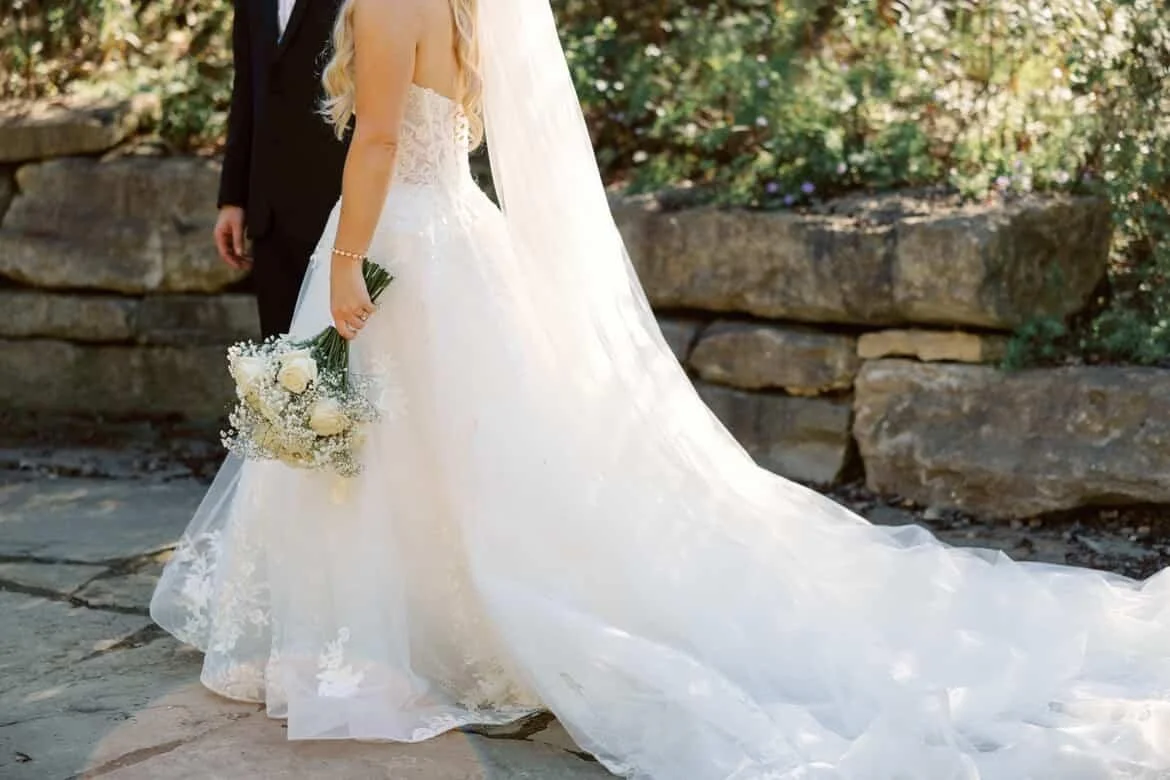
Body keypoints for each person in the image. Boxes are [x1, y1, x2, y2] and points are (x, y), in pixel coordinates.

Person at [153, 0, 1170, 776]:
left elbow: (376, 141)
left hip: (400, 243)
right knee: (459, 446)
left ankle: (398, 632)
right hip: (461, 237)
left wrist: (344, 267)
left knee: (395, 441)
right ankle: (435, 622)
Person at [214, 0, 350, 338]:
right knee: (282, 371)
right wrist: (234, 198)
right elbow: (247, 84)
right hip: (270, 216)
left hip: (340, 209)